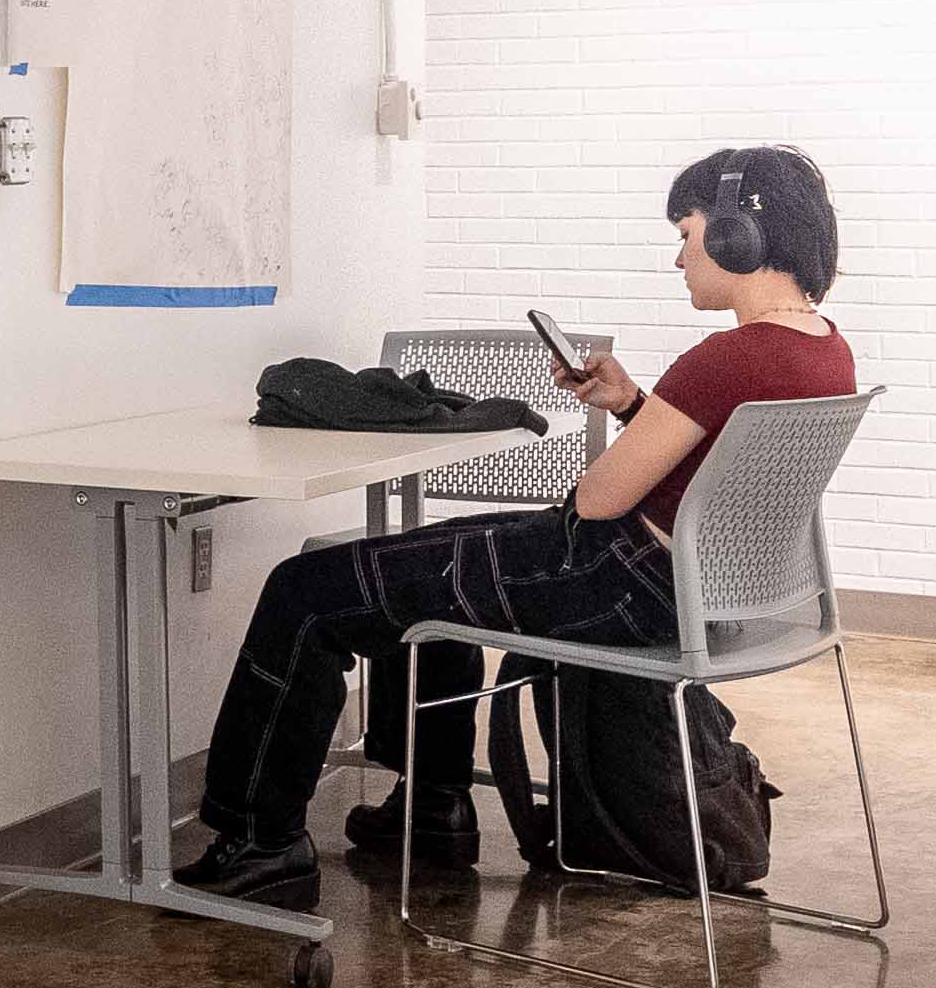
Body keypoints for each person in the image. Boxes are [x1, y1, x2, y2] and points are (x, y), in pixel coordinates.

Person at [191, 144, 860, 903]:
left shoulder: (726, 357)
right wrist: (634, 408)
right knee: (416, 575)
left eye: (686, 232)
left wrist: (613, 458)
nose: (679, 258)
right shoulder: (822, 349)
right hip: (676, 587)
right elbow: (706, 469)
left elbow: (600, 500)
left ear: (737, 236)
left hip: (612, 576)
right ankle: (431, 808)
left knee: (305, 589)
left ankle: (259, 842)